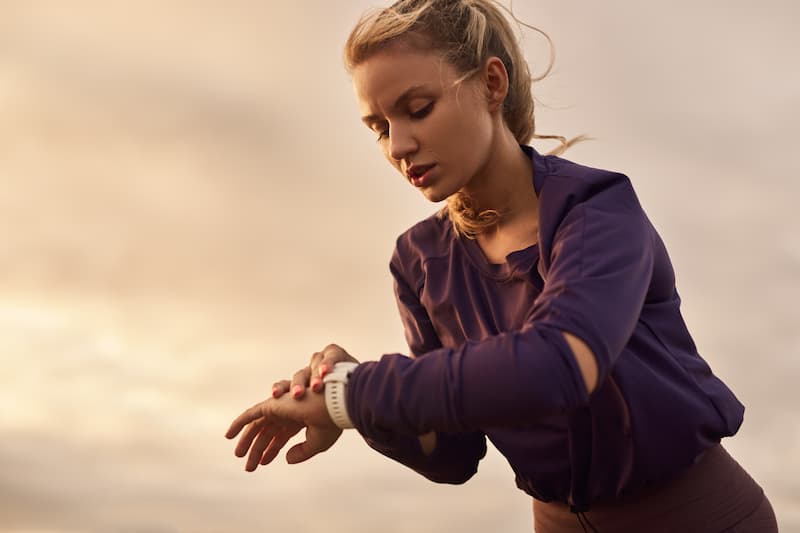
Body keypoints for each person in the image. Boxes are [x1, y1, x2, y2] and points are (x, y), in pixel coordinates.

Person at [225, 1, 779, 531]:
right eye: (378, 126)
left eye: (418, 109)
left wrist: (355, 391)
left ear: (493, 83)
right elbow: (452, 454)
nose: (398, 145)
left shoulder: (596, 209)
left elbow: (559, 365)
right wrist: (346, 405)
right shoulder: (418, 260)